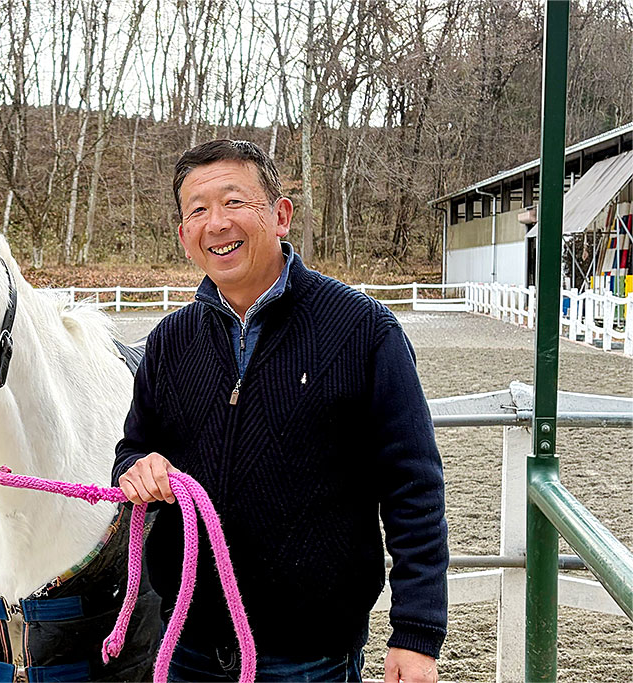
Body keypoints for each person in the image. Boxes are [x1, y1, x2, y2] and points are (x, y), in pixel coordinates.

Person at [112, 139, 448, 682]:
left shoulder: (362, 331)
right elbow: (132, 449)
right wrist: (138, 468)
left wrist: (417, 633)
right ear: (183, 236)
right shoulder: (169, 343)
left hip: (308, 654)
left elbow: (413, 487)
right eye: (197, 210)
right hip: (188, 644)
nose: (216, 223)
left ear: (280, 215)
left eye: (234, 202)